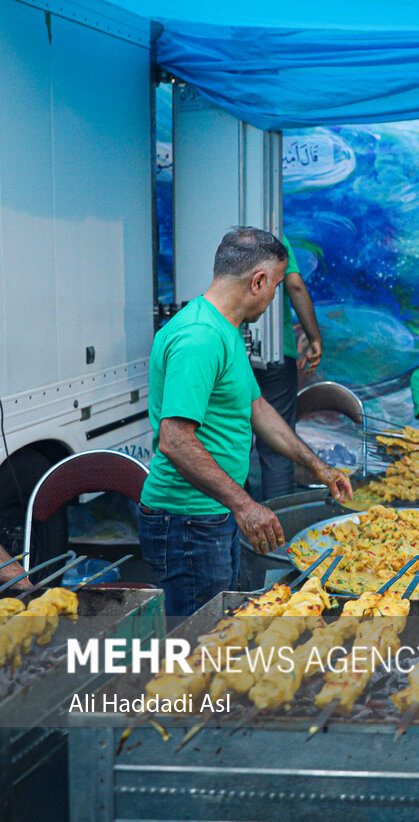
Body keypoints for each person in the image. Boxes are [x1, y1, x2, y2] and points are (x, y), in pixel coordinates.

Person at [139, 227, 352, 625]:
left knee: (221, 632)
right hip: (189, 522)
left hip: (213, 513)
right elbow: (174, 440)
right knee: (197, 645)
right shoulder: (200, 336)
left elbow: (258, 408)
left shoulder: (226, 329)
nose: (275, 298)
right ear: (258, 281)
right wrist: (245, 505)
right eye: (275, 287)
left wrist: (318, 467)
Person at [252, 233, 324, 499]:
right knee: (277, 446)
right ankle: (278, 523)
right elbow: (295, 285)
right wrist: (313, 337)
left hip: (235, 353)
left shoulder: (211, 232)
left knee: (230, 437)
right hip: (274, 350)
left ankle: (237, 525)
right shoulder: (274, 234)